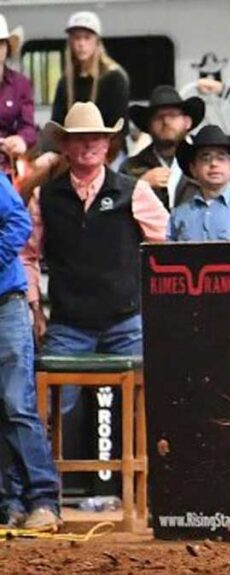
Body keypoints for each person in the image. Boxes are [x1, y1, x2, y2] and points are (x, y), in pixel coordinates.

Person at [29, 102, 168, 414]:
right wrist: (35, 309)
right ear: (64, 145)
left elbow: (166, 248)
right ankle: (51, 465)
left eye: (96, 137)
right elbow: (27, 256)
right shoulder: (45, 197)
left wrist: (158, 308)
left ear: (108, 144)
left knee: (146, 409)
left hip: (126, 321)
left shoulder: (134, 191)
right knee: (49, 412)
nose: (89, 144)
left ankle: (142, 465)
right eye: (79, 138)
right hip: (68, 325)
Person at [0, 172, 61, 532]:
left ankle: (43, 501)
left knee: (16, 403)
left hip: (5, 303)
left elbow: (19, 222)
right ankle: (10, 503)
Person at [50, 11, 129, 161]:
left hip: (110, 151)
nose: (81, 44)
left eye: (87, 38)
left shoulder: (115, 78)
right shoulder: (65, 82)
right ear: (71, 42)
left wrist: (100, 159)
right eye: (77, 38)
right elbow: (57, 124)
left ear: (97, 42)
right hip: (73, 152)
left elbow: (119, 132)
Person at [121, 86, 205, 210]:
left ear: (187, 122)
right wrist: (140, 186)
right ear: (148, 125)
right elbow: (117, 210)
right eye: (158, 117)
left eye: (172, 115)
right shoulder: (132, 167)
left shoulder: (208, 158)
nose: (166, 121)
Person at [0, 16, 34, 179]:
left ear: (7, 47)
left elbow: (29, 127)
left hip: (11, 165)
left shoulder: (20, 84)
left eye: (0, 44)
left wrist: (21, 140)